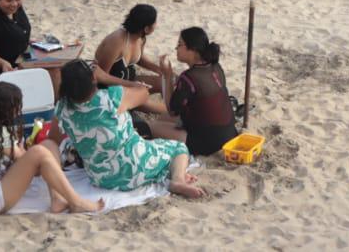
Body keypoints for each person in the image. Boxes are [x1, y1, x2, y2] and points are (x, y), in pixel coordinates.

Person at [56, 60, 203, 198]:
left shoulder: (62, 109)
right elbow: (143, 92)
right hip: (135, 168)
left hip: (100, 178)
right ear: (93, 79)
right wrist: (107, 78)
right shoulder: (111, 97)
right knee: (177, 147)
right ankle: (177, 180)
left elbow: (53, 139)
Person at [159, 27, 238, 156]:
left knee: (152, 126)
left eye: (179, 45)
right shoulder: (215, 66)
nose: (176, 49)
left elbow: (172, 110)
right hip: (229, 134)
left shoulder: (189, 77)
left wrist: (166, 76)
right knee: (162, 118)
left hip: (207, 144)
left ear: (193, 50)